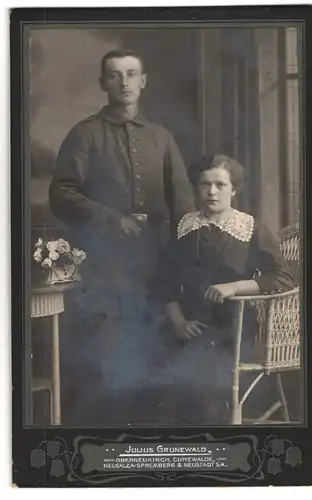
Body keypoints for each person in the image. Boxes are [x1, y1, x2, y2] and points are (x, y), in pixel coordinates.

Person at [48, 49, 195, 424]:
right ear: (103, 84)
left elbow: (183, 204)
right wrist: (112, 219)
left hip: (157, 264)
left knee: (158, 352)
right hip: (105, 267)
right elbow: (62, 194)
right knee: (107, 356)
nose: (125, 82)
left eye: (132, 74)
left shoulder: (162, 137)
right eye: (115, 75)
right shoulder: (85, 134)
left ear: (143, 81)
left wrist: (184, 259)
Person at [155, 153, 294, 424]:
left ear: (234, 189)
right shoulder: (186, 226)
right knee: (154, 382)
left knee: (202, 390)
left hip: (233, 326)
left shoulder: (250, 229)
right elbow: (164, 281)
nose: (212, 192)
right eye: (205, 184)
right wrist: (178, 321)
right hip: (188, 325)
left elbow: (282, 278)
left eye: (220, 185)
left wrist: (235, 286)